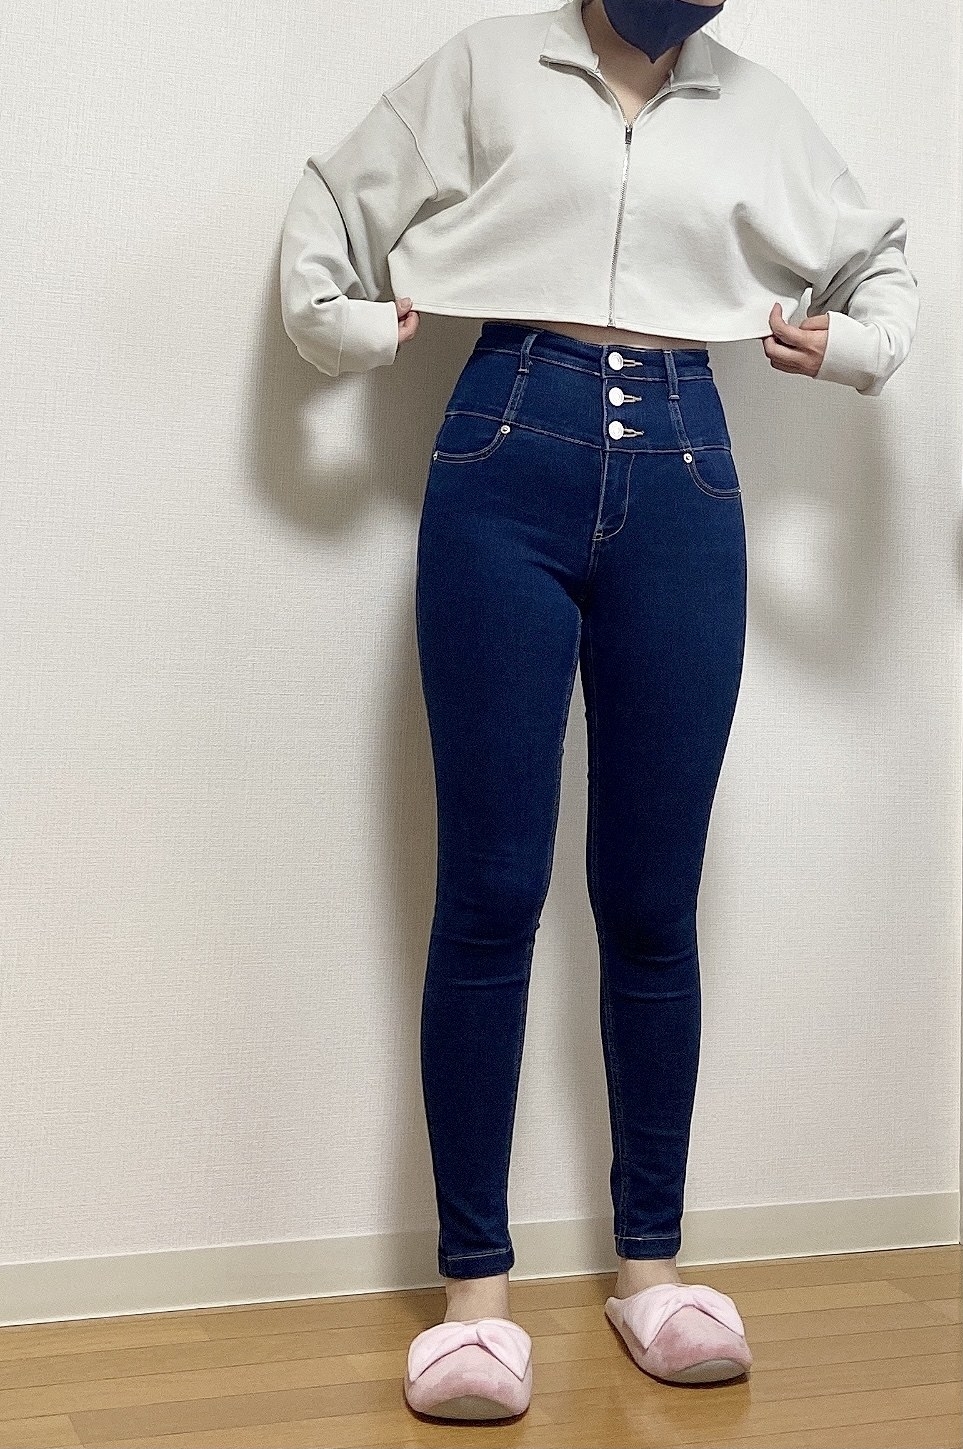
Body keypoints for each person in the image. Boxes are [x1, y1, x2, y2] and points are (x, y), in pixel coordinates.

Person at [280, 0, 919, 1422]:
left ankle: (652, 1272)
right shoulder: (489, 67)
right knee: (491, 886)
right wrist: (351, 330)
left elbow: (882, 262)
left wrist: (854, 347)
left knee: (649, 895)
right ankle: (474, 1299)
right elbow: (330, 207)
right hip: (505, 445)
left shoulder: (756, 104)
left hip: (688, 470)